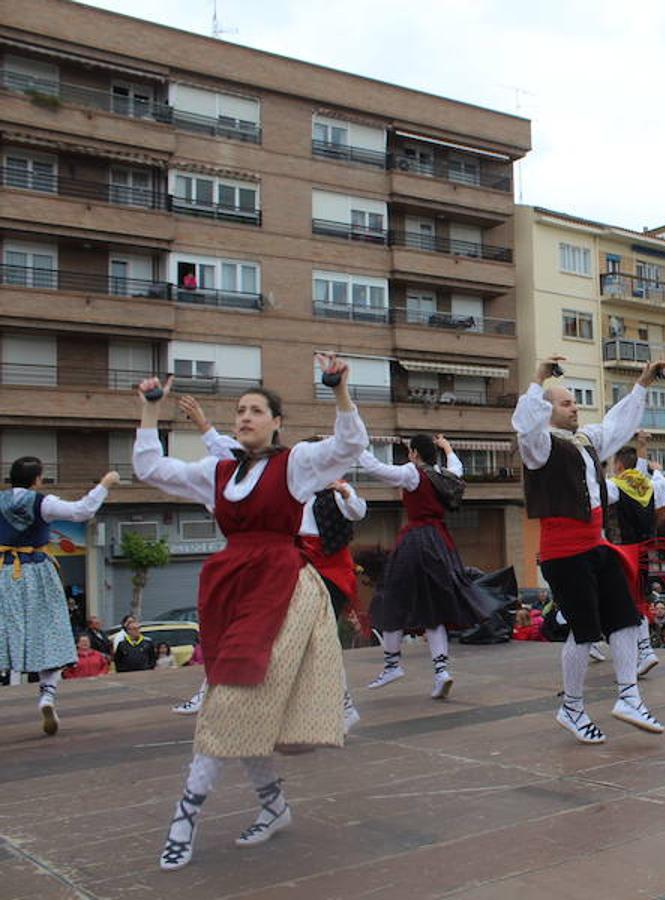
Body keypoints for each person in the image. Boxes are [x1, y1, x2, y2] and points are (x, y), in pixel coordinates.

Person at [132, 357, 368, 870]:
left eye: (256, 410)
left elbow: (349, 446)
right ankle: (273, 805)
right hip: (230, 589)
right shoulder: (215, 472)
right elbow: (151, 469)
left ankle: (185, 817)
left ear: (277, 422)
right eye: (240, 410)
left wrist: (339, 392)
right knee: (244, 702)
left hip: (280, 587)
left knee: (233, 696)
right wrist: (150, 413)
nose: (244, 417)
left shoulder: (298, 462)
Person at [178, 400, 366, 727]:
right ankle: (214, 690)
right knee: (250, 629)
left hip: (327, 571)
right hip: (287, 564)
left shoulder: (333, 491)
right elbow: (231, 455)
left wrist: (345, 493)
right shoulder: (284, 480)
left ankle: (342, 705)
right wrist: (204, 426)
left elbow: (357, 512)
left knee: (316, 642)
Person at [512, 355, 665, 744]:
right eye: (566, 403)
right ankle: (572, 707)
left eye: (574, 402)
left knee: (628, 618)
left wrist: (642, 383)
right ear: (547, 410)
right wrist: (537, 379)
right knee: (583, 632)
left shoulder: (585, 442)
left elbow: (617, 422)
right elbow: (524, 427)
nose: (575, 407)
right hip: (563, 553)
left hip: (595, 546)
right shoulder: (540, 446)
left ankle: (630, 696)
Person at [357, 433, 495, 700]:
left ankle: (392, 665)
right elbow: (458, 468)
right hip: (440, 542)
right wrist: (448, 448)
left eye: (410, 451)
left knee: (391, 599)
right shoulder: (442, 474)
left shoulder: (412, 473)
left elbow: (376, 469)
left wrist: (356, 448)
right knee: (433, 606)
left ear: (415, 454)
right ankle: (441, 671)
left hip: (416, 541)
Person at [1, 459, 117, 735]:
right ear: (38, 479)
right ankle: (47, 695)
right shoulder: (43, 502)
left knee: (5, 632)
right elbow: (82, 511)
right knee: (50, 632)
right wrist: (106, 483)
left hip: (4, 572)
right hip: (38, 571)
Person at [605, 430, 665, 677]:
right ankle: (642, 650)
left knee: (622, 602)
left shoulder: (613, 486)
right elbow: (663, 489)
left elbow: (595, 495)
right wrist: (656, 468)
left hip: (622, 550)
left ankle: (642, 650)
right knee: (639, 599)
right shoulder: (650, 485)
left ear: (619, 465)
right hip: (645, 551)